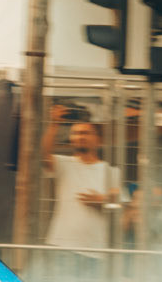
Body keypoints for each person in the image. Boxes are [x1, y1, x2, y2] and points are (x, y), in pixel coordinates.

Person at [42, 105, 121, 255]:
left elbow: (120, 205)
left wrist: (103, 201)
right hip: (61, 244)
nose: (80, 137)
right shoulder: (63, 163)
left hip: (95, 248)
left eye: (85, 133)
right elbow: (43, 156)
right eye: (76, 133)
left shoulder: (112, 172)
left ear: (98, 140)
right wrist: (54, 124)